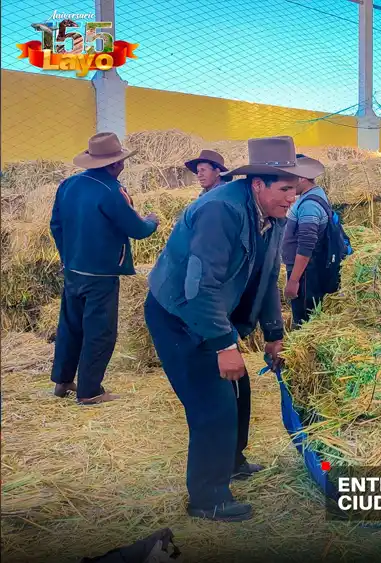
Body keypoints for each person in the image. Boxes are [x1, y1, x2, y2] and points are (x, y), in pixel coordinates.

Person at [143, 136, 317, 522]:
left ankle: (232, 461)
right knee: (212, 403)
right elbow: (199, 284)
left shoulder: (271, 217)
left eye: (296, 189)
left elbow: (268, 276)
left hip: (211, 308)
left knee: (239, 387)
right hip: (180, 313)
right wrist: (224, 344)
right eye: (285, 189)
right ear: (258, 183)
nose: (292, 198)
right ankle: (208, 498)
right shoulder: (220, 210)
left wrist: (274, 335)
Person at [49, 132, 160, 405]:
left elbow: (56, 225)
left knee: (71, 326)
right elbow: (136, 230)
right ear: (114, 164)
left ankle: (62, 381)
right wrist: (152, 221)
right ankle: (90, 391)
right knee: (100, 332)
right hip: (102, 274)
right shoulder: (111, 191)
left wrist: (67, 257)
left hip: (74, 269)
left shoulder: (68, 185)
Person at [280, 154, 334, 328]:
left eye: (291, 178)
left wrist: (293, 281)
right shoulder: (311, 196)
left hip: (305, 273)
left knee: (304, 320)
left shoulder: (309, 205)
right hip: (305, 271)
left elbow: (306, 246)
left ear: (301, 178)